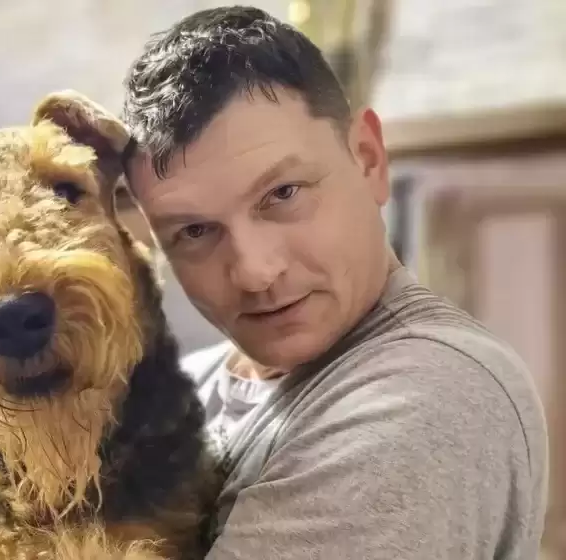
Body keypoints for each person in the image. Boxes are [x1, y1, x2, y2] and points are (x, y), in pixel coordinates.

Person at [120, 6, 548, 559]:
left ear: (368, 160)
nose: (254, 271)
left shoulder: (425, 399)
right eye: (195, 231)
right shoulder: (185, 387)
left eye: (283, 194)